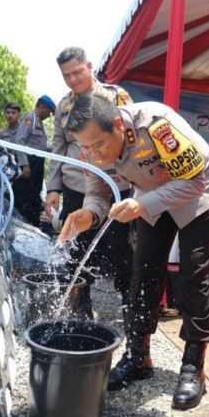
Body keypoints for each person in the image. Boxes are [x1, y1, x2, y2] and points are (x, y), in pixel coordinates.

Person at [58, 94, 209, 411]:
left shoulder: (156, 125)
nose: (93, 154)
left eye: (98, 146)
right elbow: (98, 190)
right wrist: (89, 214)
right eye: (87, 148)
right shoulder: (92, 142)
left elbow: (194, 183)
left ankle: (193, 365)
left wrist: (142, 204)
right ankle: (138, 356)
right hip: (150, 199)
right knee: (143, 272)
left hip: (199, 196)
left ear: (118, 125)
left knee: (194, 276)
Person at [45, 46, 135, 318]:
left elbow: (131, 138)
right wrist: (52, 188)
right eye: (66, 76)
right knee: (76, 250)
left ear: (90, 66)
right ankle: (81, 310)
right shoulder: (63, 106)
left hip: (115, 187)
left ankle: (129, 309)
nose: (72, 80)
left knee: (121, 250)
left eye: (77, 72)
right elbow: (58, 147)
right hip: (76, 187)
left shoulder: (115, 96)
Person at [14, 95, 56, 226]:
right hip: (30, 163)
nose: (49, 115)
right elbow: (19, 141)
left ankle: (33, 223)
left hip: (38, 163)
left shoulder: (39, 123)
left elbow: (40, 146)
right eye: (49, 112)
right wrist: (24, 164)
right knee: (25, 196)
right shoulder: (30, 119)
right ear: (42, 106)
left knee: (34, 194)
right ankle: (25, 222)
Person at [0, 102, 34, 222]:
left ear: (19, 114)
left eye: (13, 113)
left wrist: (26, 166)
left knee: (26, 202)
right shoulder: (2, 134)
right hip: (9, 174)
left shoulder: (25, 131)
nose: (10, 115)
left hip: (25, 170)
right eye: (8, 112)